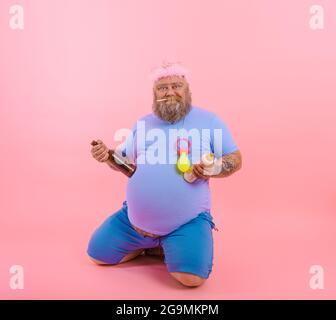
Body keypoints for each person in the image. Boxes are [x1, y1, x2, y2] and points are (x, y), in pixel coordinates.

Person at [87, 62, 242, 287]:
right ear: (154, 94)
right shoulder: (143, 124)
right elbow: (125, 163)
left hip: (186, 222)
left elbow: (235, 159)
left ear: (187, 91)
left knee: (191, 279)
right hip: (133, 220)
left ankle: (168, 241)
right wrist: (107, 156)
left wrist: (213, 168)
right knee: (97, 256)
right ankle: (151, 245)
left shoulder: (209, 121)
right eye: (162, 88)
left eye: (176, 86)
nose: (169, 92)